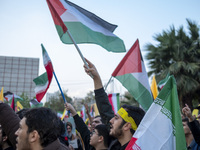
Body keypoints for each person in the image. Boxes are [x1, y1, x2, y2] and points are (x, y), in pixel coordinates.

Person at [83, 58, 145, 150]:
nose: (111, 120)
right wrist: (96, 78)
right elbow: (105, 110)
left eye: (116, 118)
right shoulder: (116, 145)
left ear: (127, 126)